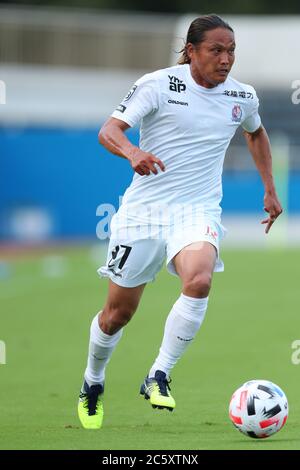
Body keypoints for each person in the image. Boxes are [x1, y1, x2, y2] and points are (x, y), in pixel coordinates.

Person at [78, 14, 282, 429]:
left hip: (197, 209)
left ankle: (159, 374)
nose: (226, 60)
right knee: (117, 314)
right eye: (216, 50)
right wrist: (133, 154)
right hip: (144, 214)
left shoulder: (243, 95)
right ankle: (93, 380)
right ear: (191, 51)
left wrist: (269, 188)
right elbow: (109, 130)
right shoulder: (159, 84)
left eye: (231, 51)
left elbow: (255, 133)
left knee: (200, 279)